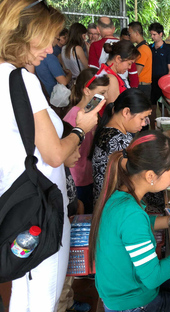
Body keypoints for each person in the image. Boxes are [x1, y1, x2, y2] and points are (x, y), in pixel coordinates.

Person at [0, 0, 105, 311]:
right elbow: (55, 155)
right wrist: (80, 129)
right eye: (44, 42)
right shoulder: (22, 80)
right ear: (23, 36)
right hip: (41, 208)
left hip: (17, 205)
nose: (50, 51)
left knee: (23, 293)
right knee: (43, 300)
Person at [89, 131, 170, 312]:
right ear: (151, 176)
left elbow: (137, 227)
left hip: (120, 294)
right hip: (133, 304)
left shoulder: (120, 196)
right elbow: (153, 278)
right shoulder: (131, 214)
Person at [63, 67, 110, 214]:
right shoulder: (74, 117)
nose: (105, 97)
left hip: (87, 175)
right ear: (87, 90)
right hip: (78, 179)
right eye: (101, 93)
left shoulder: (91, 112)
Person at [57, 122, 91, 312]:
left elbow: (70, 191)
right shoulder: (52, 174)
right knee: (61, 280)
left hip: (70, 226)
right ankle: (62, 306)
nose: (79, 155)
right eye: (74, 151)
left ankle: (69, 302)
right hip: (60, 234)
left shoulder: (65, 168)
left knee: (69, 273)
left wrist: (78, 204)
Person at [88, 17, 138, 88]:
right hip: (123, 86)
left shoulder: (95, 46)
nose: (129, 66)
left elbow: (92, 72)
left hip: (104, 85)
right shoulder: (126, 46)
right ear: (114, 29)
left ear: (98, 30)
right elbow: (133, 74)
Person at [128, 21, 153, 127]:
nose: (129, 37)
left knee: (141, 118)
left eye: (130, 34)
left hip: (142, 87)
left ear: (136, 33)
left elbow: (136, 72)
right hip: (142, 87)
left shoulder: (142, 49)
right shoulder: (141, 47)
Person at [149, 23, 170, 118]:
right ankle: (152, 129)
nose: (152, 37)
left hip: (163, 84)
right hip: (151, 82)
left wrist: (166, 86)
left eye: (154, 34)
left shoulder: (168, 49)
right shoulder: (149, 48)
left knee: (163, 107)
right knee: (152, 108)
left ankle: (166, 129)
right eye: (151, 34)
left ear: (161, 34)